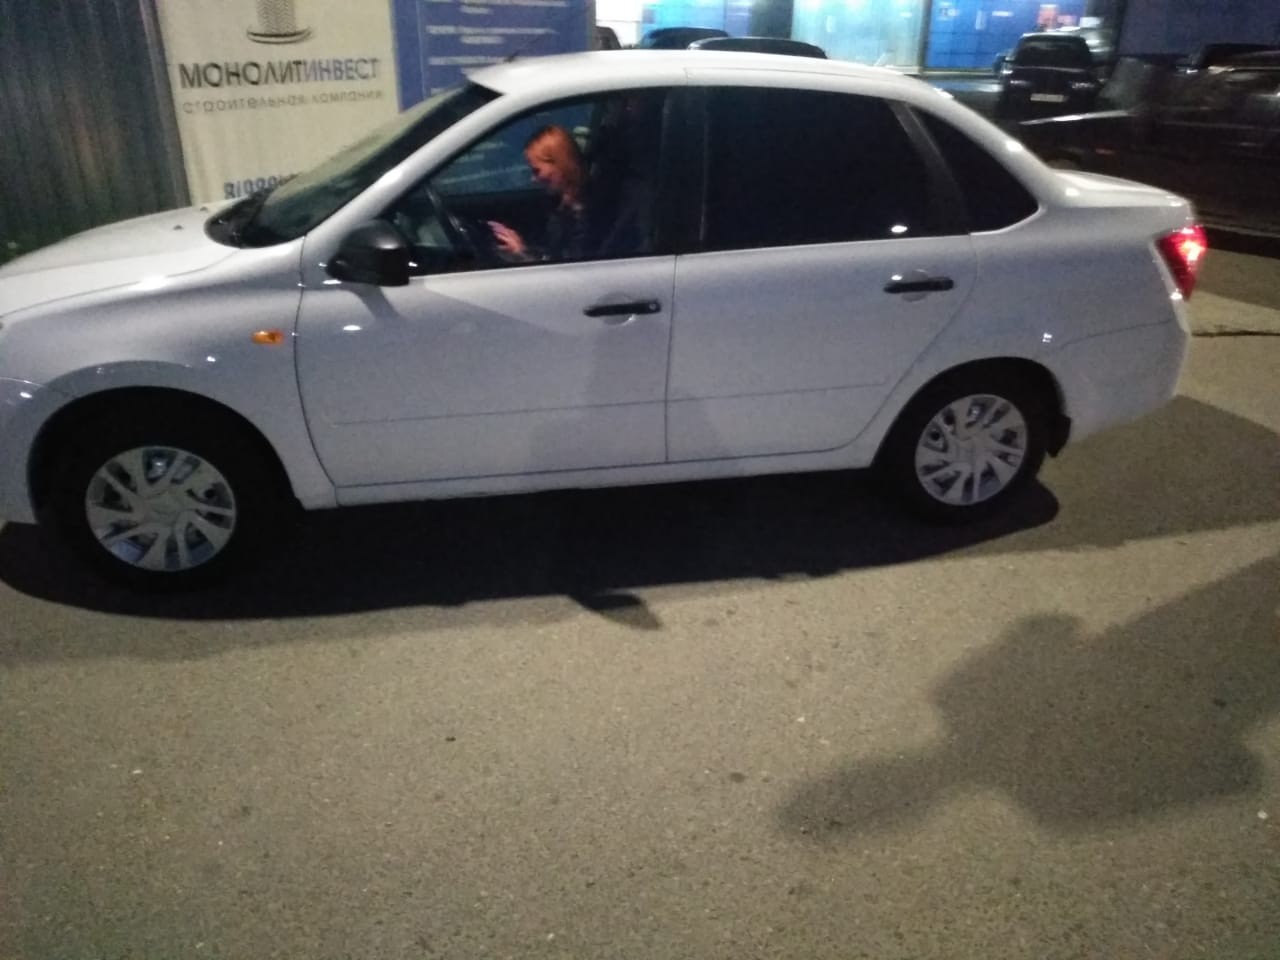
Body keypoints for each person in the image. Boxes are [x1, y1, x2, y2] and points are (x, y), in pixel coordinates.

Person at [489, 125, 593, 262]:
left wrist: (522, 253)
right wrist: (521, 249)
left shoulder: (585, 217)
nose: (533, 179)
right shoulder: (563, 207)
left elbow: (567, 271)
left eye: (537, 171)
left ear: (561, 164)